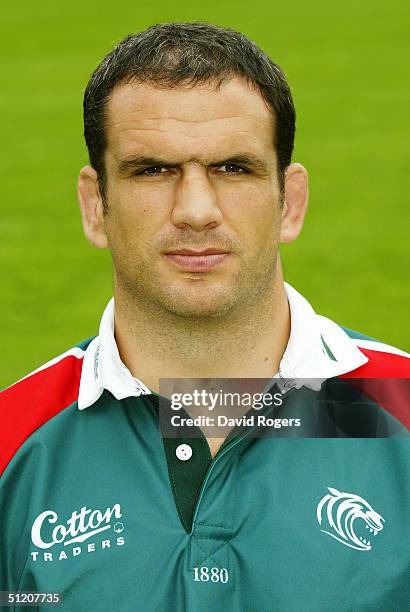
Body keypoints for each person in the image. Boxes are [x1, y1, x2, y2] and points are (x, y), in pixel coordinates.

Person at [0, 22, 409, 612]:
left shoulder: (399, 409)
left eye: (232, 169)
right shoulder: (13, 441)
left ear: (289, 202)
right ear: (95, 206)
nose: (196, 210)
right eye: (153, 170)